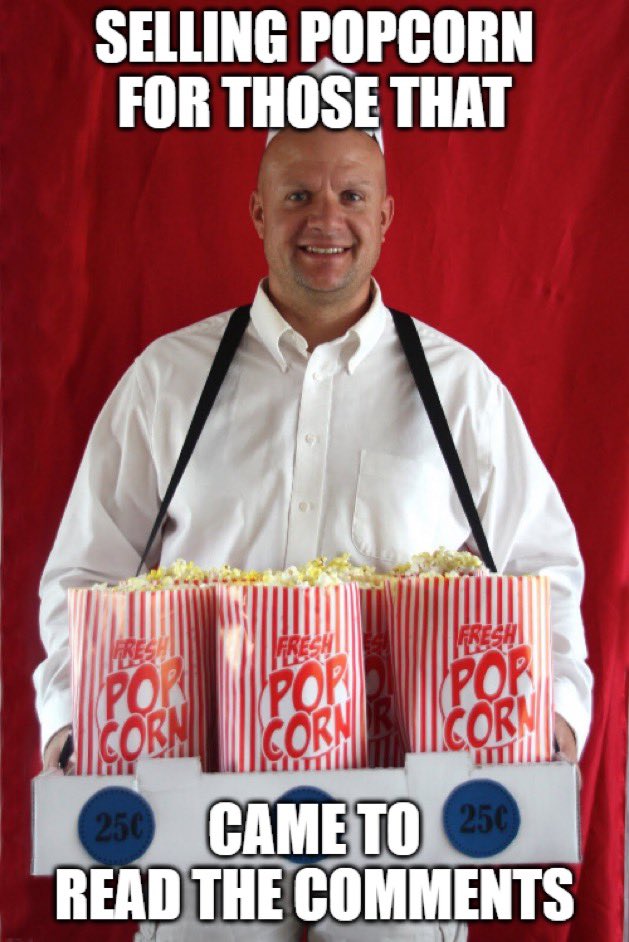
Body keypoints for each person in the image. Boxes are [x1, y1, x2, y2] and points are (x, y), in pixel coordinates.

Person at [35, 78, 591, 942]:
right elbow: (87, 571)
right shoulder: (165, 381)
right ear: (258, 212)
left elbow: (538, 567)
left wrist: (551, 711)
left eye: (350, 195)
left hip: (404, 821)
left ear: (386, 215)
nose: (324, 218)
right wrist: (74, 720)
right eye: (297, 194)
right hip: (201, 812)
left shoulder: (461, 391)